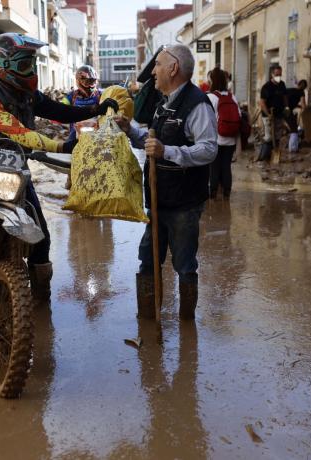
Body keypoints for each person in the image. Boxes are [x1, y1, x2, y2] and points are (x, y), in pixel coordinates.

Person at [0, 33, 118, 299]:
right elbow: (18, 132)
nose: (31, 70)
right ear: (2, 66)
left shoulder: (28, 94)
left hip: (17, 169)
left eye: (32, 64)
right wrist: (60, 147)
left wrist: (95, 109)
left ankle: (41, 297)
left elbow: (59, 111)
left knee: (43, 236)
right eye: (25, 64)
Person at [114, 44, 218, 320]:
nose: (153, 72)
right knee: (147, 260)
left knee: (184, 266)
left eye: (158, 65)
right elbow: (152, 143)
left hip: (184, 203)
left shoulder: (197, 105)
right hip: (158, 201)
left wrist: (167, 152)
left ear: (173, 69)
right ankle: (147, 321)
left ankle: (186, 327)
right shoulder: (163, 102)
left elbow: (209, 149)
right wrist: (130, 131)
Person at [206, 67, 240, 199]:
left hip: (215, 139)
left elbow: (206, 119)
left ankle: (212, 195)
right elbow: (238, 116)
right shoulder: (232, 97)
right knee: (226, 166)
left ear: (212, 81)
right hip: (230, 139)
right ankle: (226, 194)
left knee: (214, 167)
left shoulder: (210, 97)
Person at [61, 65, 102, 148]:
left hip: (97, 128)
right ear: (79, 81)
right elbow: (61, 107)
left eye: (92, 81)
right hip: (76, 129)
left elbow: (110, 101)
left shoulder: (100, 95)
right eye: (87, 82)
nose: (90, 85)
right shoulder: (72, 95)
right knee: (69, 147)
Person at [260, 65, 289, 143]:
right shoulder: (266, 87)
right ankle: (266, 153)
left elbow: (285, 97)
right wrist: (268, 114)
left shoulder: (282, 84)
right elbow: (262, 103)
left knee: (277, 137)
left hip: (279, 114)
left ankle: (275, 152)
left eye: (280, 75)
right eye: (277, 75)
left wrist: (286, 107)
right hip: (268, 115)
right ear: (272, 75)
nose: (278, 77)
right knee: (269, 137)